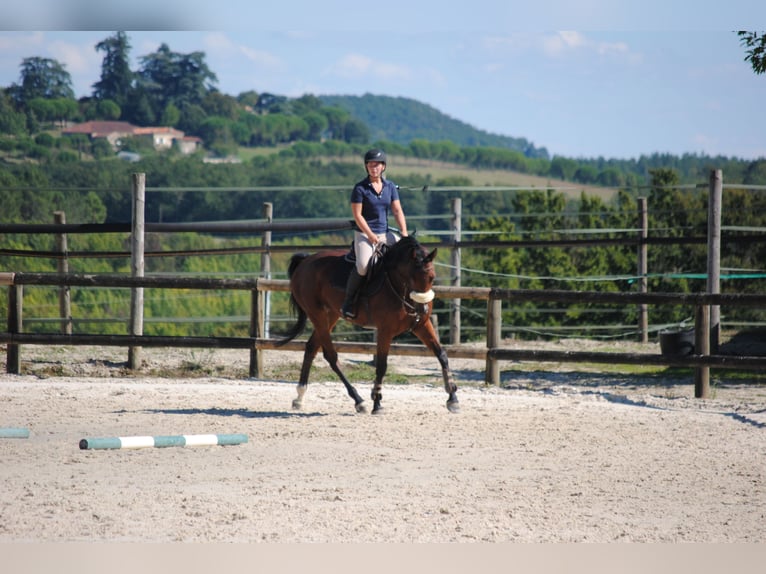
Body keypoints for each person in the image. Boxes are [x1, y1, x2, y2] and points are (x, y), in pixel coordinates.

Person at [341, 148, 409, 319]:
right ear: (366, 167)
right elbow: (357, 216)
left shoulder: (390, 187)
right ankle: (348, 302)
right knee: (363, 266)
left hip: (385, 233)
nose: (373, 167)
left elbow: (397, 210)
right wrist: (370, 235)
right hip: (365, 234)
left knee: (407, 255)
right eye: (370, 164)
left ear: (383, 167)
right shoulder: (360, 188)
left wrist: (404, 233)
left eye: (377, 164)